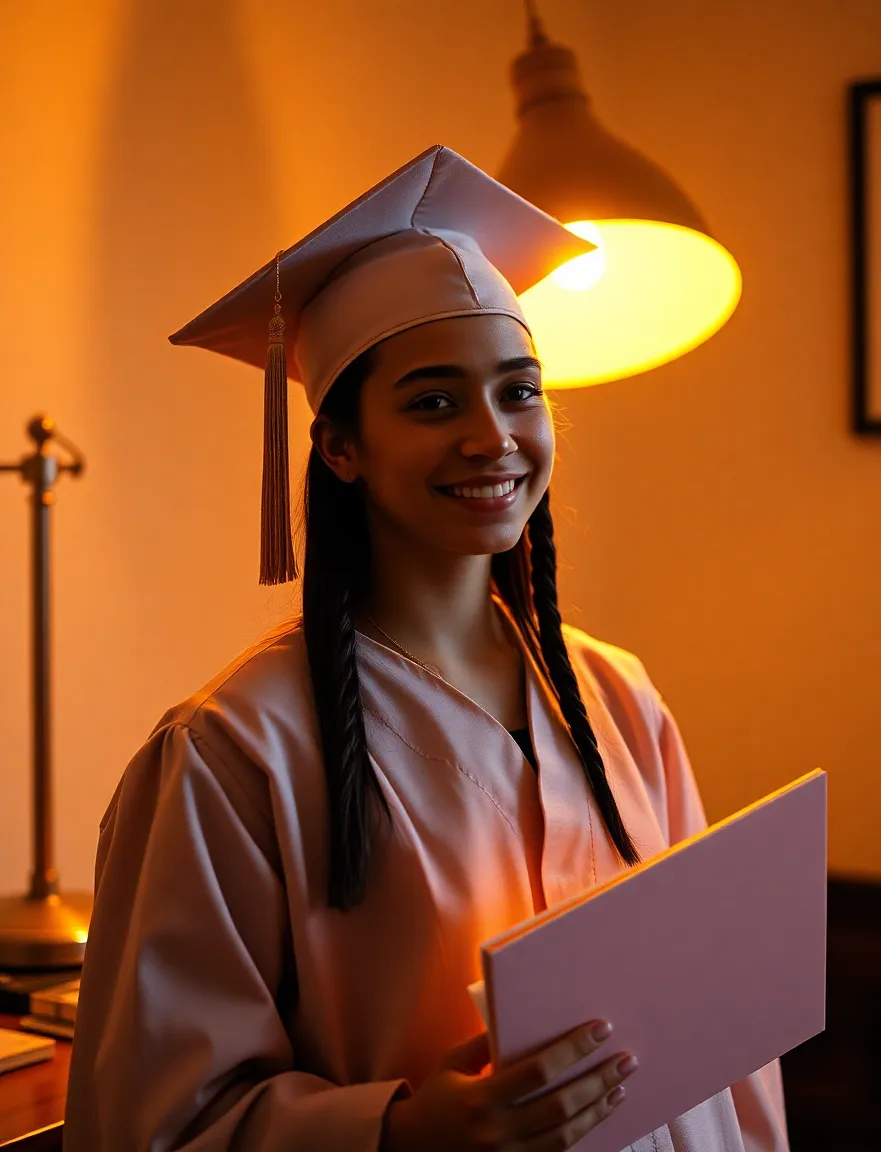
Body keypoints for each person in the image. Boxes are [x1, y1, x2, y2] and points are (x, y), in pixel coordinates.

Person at [64, 146, 789, 1151]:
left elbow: (728, 1055)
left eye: (519, 391)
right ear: (339, 446)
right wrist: (398, 1132)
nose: (491, 437)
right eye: (432, 401)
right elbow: (151, 1121)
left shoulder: (616, 697)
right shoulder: (234, 754)